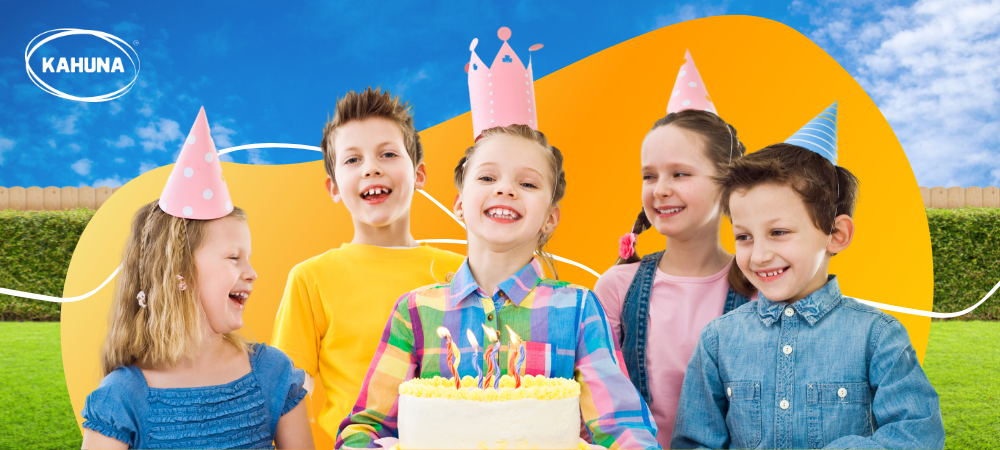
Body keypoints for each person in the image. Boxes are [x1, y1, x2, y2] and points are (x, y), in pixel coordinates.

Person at [336, 124, 659, 449]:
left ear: (551, 217)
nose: (505, 190)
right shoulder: (415, 312)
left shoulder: (578, 310)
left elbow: (621, 427)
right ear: (459, 203)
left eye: (528, 183)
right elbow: (364, 430)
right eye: (488, 178)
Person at [671, 103, 945, 449]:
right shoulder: (717, 341)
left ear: (836, 234)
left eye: (779, 232)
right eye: (744, 237)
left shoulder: (877, 337)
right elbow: (694, 442)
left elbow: (919, 435)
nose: (758, 255)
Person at [81, 108, 313, 449]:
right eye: (234, 258)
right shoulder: (122, 397)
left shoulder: (272, 374)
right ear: (180, 274)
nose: (252, 273)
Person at [270, 87, 465, 439]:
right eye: (352, 160)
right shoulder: (310, 278)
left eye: (388, 154)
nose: (371, 169)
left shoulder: (462, 272)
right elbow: (288, 395)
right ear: (333, 187)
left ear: (419, 174)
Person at [594, 50, 750, 448]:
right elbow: (595, 396)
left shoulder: (760, 286)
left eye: (680, 173)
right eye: (650, 176)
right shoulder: (617, 286)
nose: (660, 189)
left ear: (727, 182)